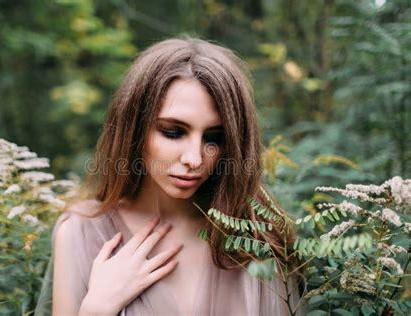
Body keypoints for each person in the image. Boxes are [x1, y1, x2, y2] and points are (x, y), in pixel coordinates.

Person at [35, 37, 301, 316]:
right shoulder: (80, 233)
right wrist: (96, 310)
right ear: (134, 129)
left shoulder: (260, 236)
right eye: (173, 132)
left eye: (215, 137)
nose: (194, 159)